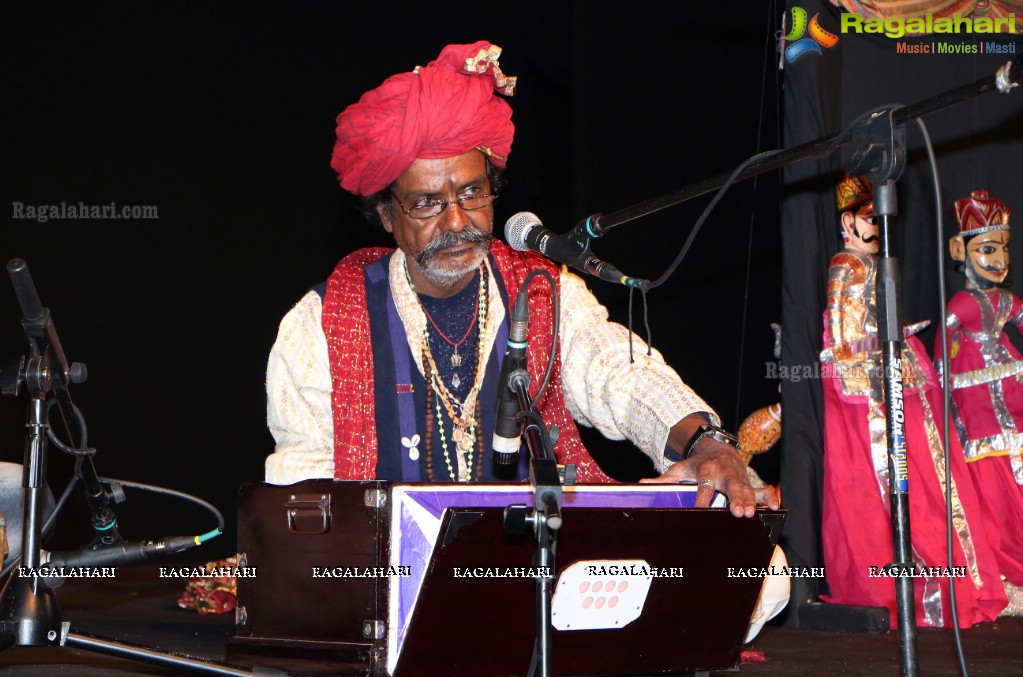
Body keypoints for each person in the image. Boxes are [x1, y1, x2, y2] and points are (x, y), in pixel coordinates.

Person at [263, 41, 787, 637]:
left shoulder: (541, 291)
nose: (457, 221)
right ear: (387, 214)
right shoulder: (322, 322)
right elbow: (299, 498)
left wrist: (707, 442)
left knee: (760, 571)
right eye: (428, 203)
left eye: (471, 193)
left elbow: (622, 376)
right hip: (396, 572)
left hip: (543, 561)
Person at [819, 173, 1009, 627]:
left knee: (931, 480)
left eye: (879, 218)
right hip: (875, 389)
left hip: (898, 375)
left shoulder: (873, 263)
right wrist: (886, 348)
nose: (878, 227)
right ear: (848, 221)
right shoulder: (846, 263)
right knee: (897, 487)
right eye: (868, 219)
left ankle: (957, 583)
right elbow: (842, 337)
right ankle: (911, 588)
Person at [945, 189, 1023, 610]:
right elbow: (942, 340)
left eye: (1005, 248)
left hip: (1012, 393)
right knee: (990, 482)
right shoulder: (963, 302)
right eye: (988, 249)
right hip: (976, 403)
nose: (1000, 259)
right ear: (960, 249)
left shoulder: (1007, 300)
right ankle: (1003, 571)